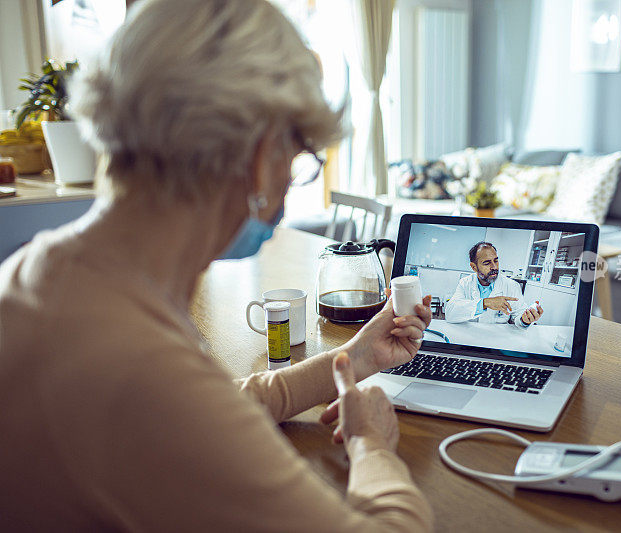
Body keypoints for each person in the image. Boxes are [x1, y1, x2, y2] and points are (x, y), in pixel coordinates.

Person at [0, 0, 434, 530]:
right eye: (297, 156)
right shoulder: (136, 368)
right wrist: (372, 447)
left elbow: (208, 409)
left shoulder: (43, 275)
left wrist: (352, 358)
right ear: (259, 155)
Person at [445, 241, 543, 327]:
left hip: (497, 340)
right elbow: (450, 313)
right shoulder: (465, 283)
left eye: (496, 260)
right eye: (487, 263)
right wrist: (485, 303)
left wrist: (524, 320)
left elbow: (518, 316)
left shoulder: (512, 286)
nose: (494, 267)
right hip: (469, 337)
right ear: (474, 267)